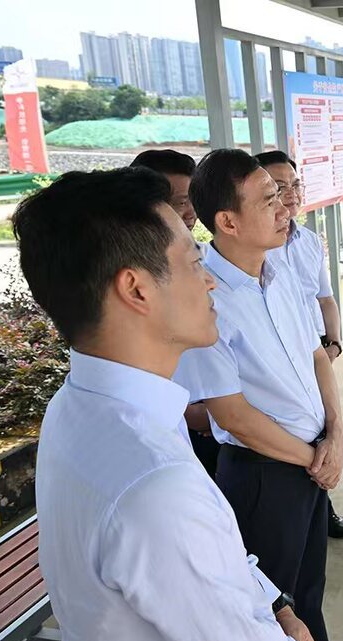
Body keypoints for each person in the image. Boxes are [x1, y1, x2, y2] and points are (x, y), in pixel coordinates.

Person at [17, 167, 311, 641]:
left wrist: (275, 602)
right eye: (195, 262)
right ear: (137, 289)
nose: (209, 282)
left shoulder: (82, 405)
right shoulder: (153, 482)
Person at [174, 150, 343, 641]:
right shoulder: (206, 297)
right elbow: (230, 414)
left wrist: (336, 432)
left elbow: (316, 354)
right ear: (228, 221)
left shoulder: (279, 271)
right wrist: (315, 459)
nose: (285, 207)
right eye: (268, 199)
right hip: (263, 470)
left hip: (312, 456)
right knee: (268, 591)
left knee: (309, 574)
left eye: (282, 194)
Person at [253, 150, 343, 540]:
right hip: (282, 363)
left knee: (324, 428)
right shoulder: (257, 249)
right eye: (279, 188)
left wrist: (334, 345)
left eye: (295, 185)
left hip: (316, 354)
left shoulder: (309, 241)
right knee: (292, 435)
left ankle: (322, 508)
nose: (291, 195)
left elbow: (325, 298)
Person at [131, 149, 219, 479]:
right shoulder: (137, 283)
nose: (190, 211)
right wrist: (191, 413)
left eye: (192, 199)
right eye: (180, 202)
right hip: (189, 423)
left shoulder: (208, 257)